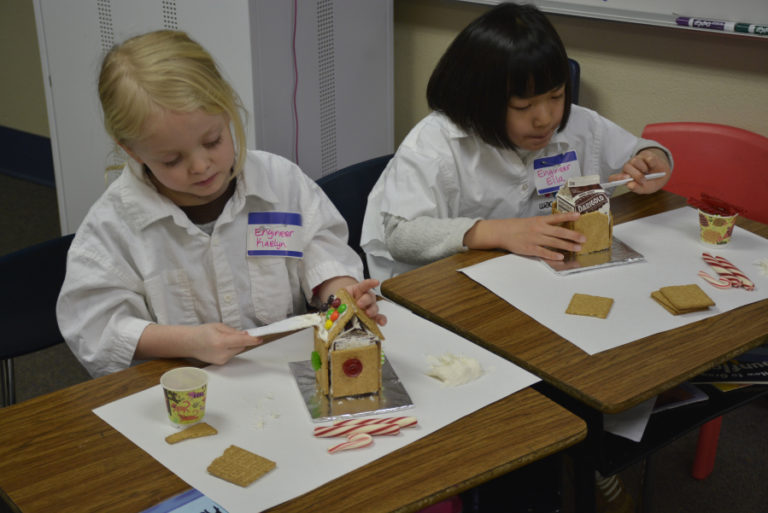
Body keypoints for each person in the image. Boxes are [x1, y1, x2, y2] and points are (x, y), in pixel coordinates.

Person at [56, 30, 385, 378]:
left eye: (213, 141)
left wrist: (342, 296)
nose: (200, 166)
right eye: (171, 160)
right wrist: (187, 341)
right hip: (184, 390)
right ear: (132, 151)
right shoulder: (112, 227)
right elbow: (95, 327)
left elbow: (322, 251)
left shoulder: (281, 182)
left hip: (279, 372)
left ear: (228, 112)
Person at [361, 2, 673, 283]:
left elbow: (639, 151)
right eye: (523, 107)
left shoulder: (579, 124)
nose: (546, 118)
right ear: (479, 101)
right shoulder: (436, 143)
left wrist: (653, 160)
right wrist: (495, 231)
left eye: (556, 96)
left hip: (526, 279)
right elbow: (400, 235)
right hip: (440, 287)